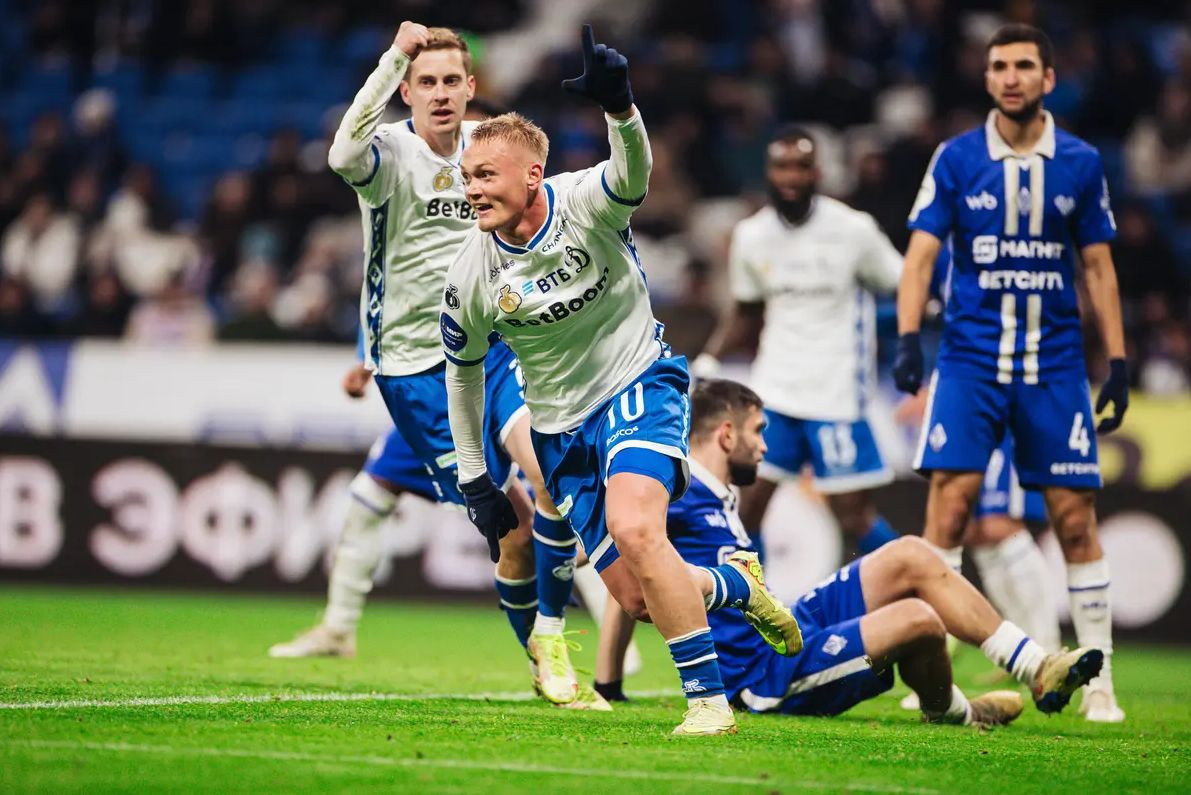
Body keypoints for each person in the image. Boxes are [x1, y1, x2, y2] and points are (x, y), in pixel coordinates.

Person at [441, 25, 803, 737]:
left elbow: (633, 174)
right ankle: (735, 584)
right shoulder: (470, 274)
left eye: (485, 175)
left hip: (638, 383)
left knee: (636, 527)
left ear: (532, 176)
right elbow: (464, 376)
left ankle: (707, 703)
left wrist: (621, 111)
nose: (472, 189)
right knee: (635, 598)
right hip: (559, 429)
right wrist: (475, 476)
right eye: (467, 177)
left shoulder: (583, 203)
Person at [270, 22, 601, 711]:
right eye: (426, 82)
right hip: (419, 370)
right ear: (407, 90)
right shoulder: (388, 153)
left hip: (498, 346)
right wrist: (393, 54)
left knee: (552, 473)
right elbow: (340, 153)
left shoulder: (488, 149)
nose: (441, 93)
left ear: (471, 87)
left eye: (452, 80)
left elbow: (535, 215)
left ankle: (563, 632)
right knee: (509, 534)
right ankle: (543, 658)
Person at [605, 379, 1103, 725]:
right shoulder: (676, 492)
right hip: (763, 677)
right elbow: (632, 572)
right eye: (758, 432)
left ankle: (1037, 667)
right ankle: (959, 713)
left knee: (911, 553)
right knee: (920, 620)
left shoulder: (719, 495)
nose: (764, 447)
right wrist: (608, 683)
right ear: (727, 434)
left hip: (788, 627)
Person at [893, 24, 1128, 722]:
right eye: (998, 66)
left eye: (1024, 65)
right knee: (949, 512)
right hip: (970, 361)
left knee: (1074, 520)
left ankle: (1101, 683)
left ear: (1048, 78)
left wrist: (1117, 362)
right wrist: (908, 338)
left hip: (1053, 366)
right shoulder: (957, 157)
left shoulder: (1080, 162)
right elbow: (919, 256)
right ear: (987, 77)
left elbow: (1097, 267)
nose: (1010, 77)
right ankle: (933, 676)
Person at [692, 127, 903, 561]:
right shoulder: (752, 236)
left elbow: (902, 284)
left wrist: (911, 335)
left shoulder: (853, 230)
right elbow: (746, 308)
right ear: (768, 172)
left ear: (817, 172)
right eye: (782, 167)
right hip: (776, 392)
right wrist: (710, 359)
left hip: (836, 393)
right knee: (748, 507)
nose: (791, 177)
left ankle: (918, 585)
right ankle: (756, 601)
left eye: (801, 167)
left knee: (853, 516)